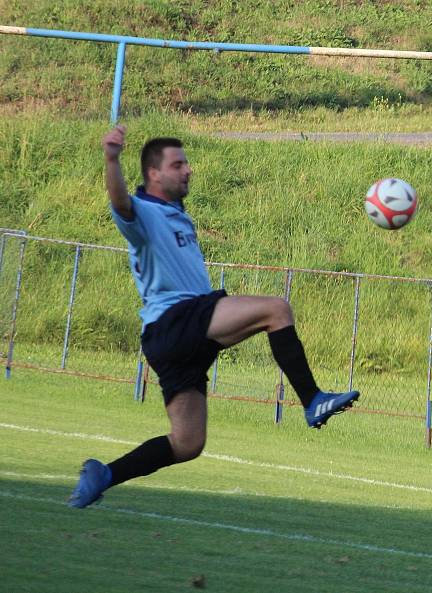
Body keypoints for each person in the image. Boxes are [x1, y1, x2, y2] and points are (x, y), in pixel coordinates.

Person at [69, 126, 359, 508]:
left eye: (187, 163)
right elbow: (120, 201)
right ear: (153, 174)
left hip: (169, 340)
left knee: (187, 443)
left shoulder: (174, 215)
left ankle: (106, 474)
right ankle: (312, 399)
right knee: (276, 310)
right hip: (178, 318)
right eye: (178, 164)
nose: (188, 170)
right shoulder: (143, 213)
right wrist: (111, 159)